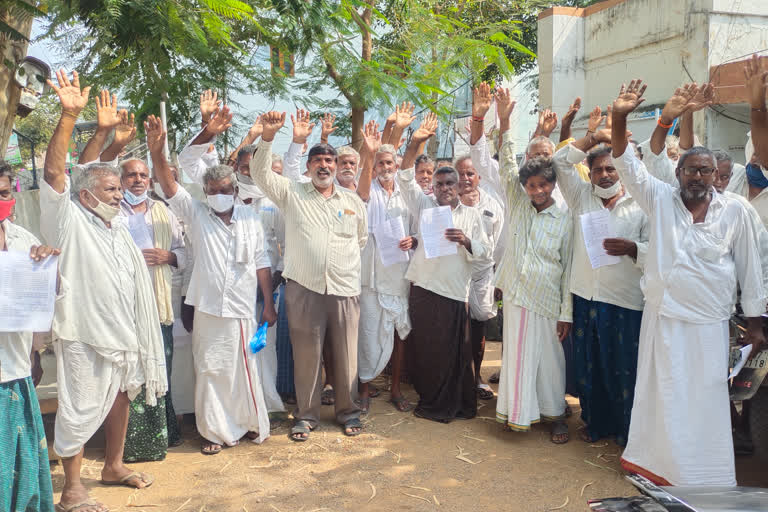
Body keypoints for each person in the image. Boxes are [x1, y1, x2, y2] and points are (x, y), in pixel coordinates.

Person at [610, 78, 766, 486]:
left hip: (710, 325)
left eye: (706, 171)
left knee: (705, 402)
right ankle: (656, 466)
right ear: (678, 173)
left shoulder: (735, 211)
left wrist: (755, 324)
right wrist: (620, 116)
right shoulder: (659, 198)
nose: (698, 176)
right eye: (691, 169)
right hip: (663, 320)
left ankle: (705, 476)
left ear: (717, 176)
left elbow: (751, 268)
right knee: (663, 396)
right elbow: (627, 162)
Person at [42, 70, 164, 512]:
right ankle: (73, 485)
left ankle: (113, 464)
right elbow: (58, 172)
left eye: (118, 188)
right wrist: (70, 116)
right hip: (82, 331)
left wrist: (109, 138)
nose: (118, 195)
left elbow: (91, 169)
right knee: (76, 407)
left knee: (120, 395)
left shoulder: (114, 228)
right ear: (86, 195)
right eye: (111, 189)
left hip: (122, 332)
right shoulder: (68, 220)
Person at [147, 115, 277, 455]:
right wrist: (156, 149)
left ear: (235, 191)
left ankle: (249, 424)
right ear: (205, 192)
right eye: (213, 191)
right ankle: (214, 432)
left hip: (244, 309)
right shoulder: (195, 214)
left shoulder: (250, 217)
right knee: (210, 369)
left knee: (246, 368)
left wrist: (269, 303)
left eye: (224, 191)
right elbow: (166, 180)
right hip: (207, 307)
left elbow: (262, 262)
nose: (219, 195)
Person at [251, 111, 369, 441]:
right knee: (307, 355)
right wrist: (269, 137)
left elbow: (360, 239)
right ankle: (306, 415)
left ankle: (348, 411)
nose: (324, 166)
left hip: (344, 288)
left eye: (329, 161)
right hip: (303, 288)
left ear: (336, 166)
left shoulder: (351, 201)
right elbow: (261, 175)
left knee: (346, 353)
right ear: (308, 167)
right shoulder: (293, 194)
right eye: (317, 161)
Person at [551, 105, 649, 446]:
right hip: (585, 298)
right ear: (589, 173)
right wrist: (593, 136)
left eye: (611, 169)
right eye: (598, 170)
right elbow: (559, 162)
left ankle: (627, 431)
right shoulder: (580, 197)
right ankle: (595, 425)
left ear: (621, 171)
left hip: (625, 302)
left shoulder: (641, 204)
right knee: (589, 368)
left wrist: (634, 249)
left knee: (625, 370)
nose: (605, 175)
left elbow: (658, 251)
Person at [491, 88, 573, 443]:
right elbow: (507, 162)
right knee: (518, 358)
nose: (537, 191)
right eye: (531, 185)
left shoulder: (566, 217)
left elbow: (568, 268)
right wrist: (505, 121)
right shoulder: (519, 202)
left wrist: (565, 313)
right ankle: (517, 414)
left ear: (553, 185)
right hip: (516, 294)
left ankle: (555, 415)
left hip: (548, 300)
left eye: (543, 185)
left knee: (550, 362)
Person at [397, 113, 490, 423]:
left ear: (460, 184)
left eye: (451, 182)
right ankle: (431, 403)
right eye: (440, 183)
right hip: (425, 289)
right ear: (433, 186)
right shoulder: (423, 206)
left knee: (456, 354)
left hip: (455, 292)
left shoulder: (472, 215)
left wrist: (465, 240)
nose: (446, 187)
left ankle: (459, 405)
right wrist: (415, 142)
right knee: (428, 352)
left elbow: (485, 253)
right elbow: (404, 178)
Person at [119, 157, 187, 458]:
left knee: (161, 368)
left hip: (159, 304)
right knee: (131, 370)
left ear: (150, 180)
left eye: (143, 175)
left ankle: (164, 434)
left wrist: (168, 257)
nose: (137, 180)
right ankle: (130, 443)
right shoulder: (111, 212)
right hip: (124, 305)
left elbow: (185, 251)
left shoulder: (163, 212)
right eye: (131, 175)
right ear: (121, 179)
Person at [0, 161, 56, 512]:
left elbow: (48, 300)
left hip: (15, 369)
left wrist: (48, 269)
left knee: (19, 470)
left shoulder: (25, 241)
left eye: (3, 193)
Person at [356, 124, 415, 413]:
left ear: (397, 164)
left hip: (399, 274)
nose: (385, 167)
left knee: (399, 331)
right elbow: (362, 195)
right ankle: (365, 388)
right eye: (380, 163)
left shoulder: (407, 192)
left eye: (389, 162)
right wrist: (368, 155)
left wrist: (412, 239)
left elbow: (418, 228)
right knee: (368, 331)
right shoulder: (369, 188)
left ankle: (394, 390)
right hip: (371, 275)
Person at [455, 154, 504, 401]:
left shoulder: (493, 205)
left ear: (479, 177)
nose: (465, 179)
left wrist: (500, 277)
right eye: (461, 174)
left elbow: (501, 243)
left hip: (483, 274)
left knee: (478, 327)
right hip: (453, 274)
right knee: (454, 328)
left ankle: (477, 377)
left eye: (470, 173)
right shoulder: (445, 201)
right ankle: (457, 379)